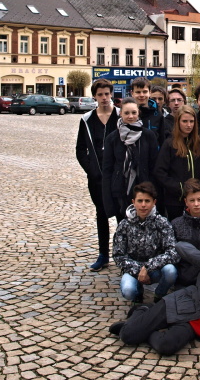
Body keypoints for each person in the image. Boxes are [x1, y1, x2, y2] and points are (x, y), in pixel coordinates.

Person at [75, 79, 120, 271]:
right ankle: (103, 255)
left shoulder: (120, 116)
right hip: (97, 178)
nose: (104, 98)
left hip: (118, 176)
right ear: (94, 96)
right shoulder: (87, 119)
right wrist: (91, 170)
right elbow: (80, 149)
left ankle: (123, 254)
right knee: (101, 214)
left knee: (121, 215)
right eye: (100, 94)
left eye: (107, 94)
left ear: (111, 94)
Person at [112, 182, 179, 304]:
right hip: (133, 270)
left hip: (156, 269)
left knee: (171, 271)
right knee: (128, 290)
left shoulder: (162, 223)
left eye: (147, 201)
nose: (143, 205)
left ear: (154, 202)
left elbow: (173, 252)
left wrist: (148, 267)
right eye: (140, 201)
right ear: (133, 202)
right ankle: (137, 294)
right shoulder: (124, 225)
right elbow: (118, 255)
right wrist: (139, 270)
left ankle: (159, 294)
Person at [101, 98, 159, 222]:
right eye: (126, 113)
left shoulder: (148, 136)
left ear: (138, 113)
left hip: (144, 191)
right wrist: (108, 200)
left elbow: (154, 166)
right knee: (123, 227)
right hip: (121, 191)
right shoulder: (112, 138)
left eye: (134, 112)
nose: (130, 116)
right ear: (120, 113)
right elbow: (107, 170)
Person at [154, 104, 200, 221]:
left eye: (191, 121)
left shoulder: (198, 143)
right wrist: (180, 188)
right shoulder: (170, 143)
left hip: (196, 199)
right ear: (178, 122)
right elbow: (160, 172)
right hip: (176, 200)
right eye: (185, 121)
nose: (189, 125)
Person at [132, 77, 171, 144]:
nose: (141, 95)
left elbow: (162, 140)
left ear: (149, 93)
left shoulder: (158, 115)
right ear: (132, 93)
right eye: (138, 92)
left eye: (145, 92)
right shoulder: (127, 114)